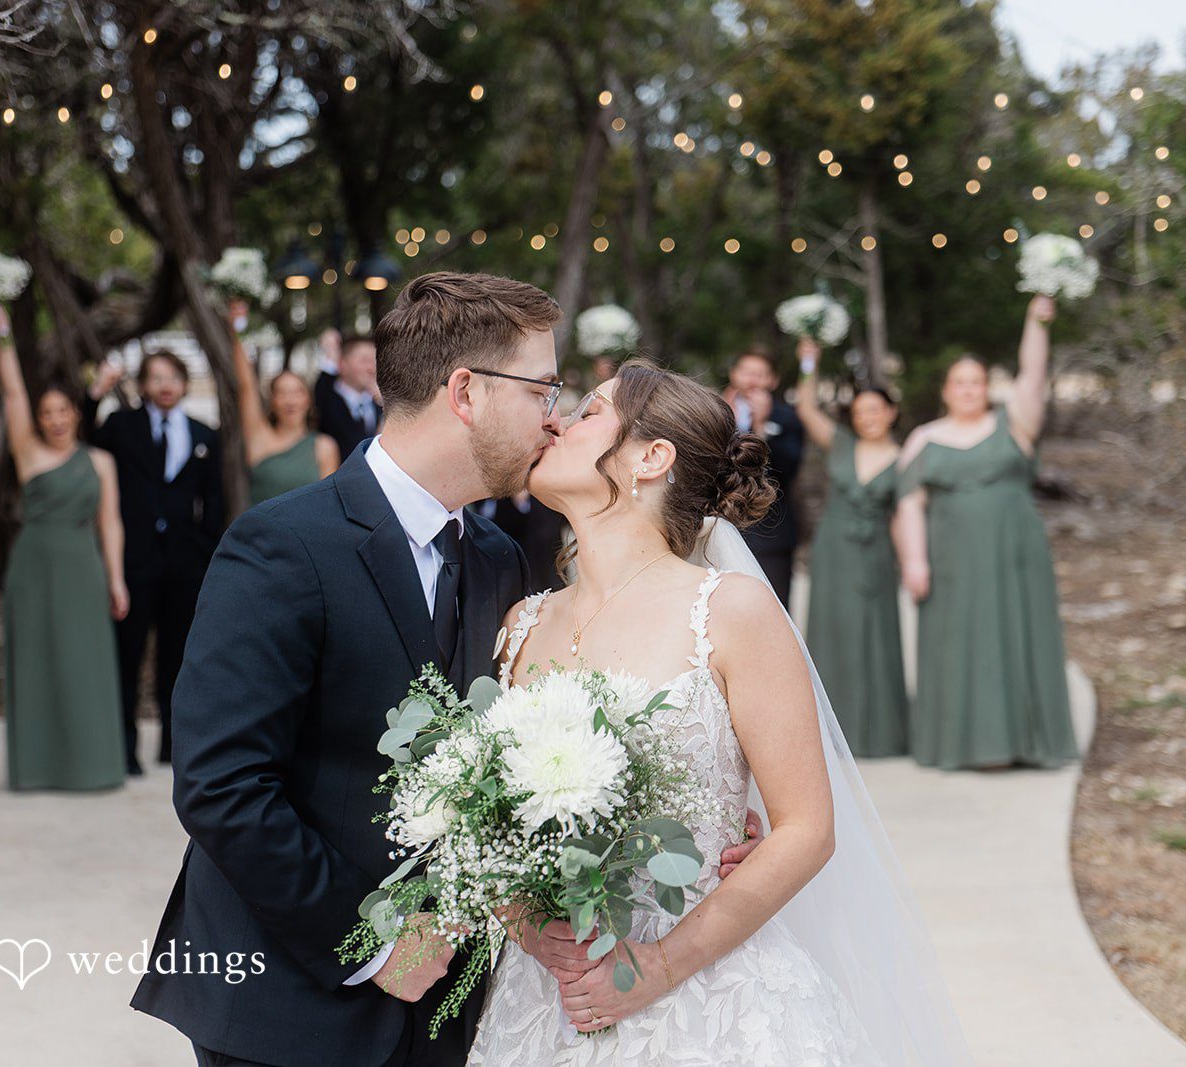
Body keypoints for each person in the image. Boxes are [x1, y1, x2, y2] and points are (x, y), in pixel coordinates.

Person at [129, 272, 769, 1066]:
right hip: (287, 1008)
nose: (553, 414)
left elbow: (517, 768)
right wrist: (373, 940)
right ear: (466, 392)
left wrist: (692, 828)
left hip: (452, 1010)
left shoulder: (499, 566)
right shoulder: (284, 546)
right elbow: (221, 784)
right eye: (543, 388)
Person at [469, 361, 971, 1065]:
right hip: (551, 999)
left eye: (587, 412)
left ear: (651, 456)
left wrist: (658, 967)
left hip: (709, 997)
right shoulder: (522, 623)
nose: (555, 421)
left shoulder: (729, 610)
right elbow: (483, 820)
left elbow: (806, 829)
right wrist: (528, 927)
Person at [892, 296, 1079, 771]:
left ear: (988, 388)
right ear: (946, 390)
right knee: (959, 643)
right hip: (951, 560)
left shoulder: (1014, 424)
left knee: (1018, 631)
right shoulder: (925, 438)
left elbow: (1032, 375)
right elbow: (909, 507)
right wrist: (914, 561)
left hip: (1015, 552)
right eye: (960, 382)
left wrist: (1036, 323)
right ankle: (964, 745)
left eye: (977, 382)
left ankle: (1024, 742)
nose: (969, 389)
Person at [0, 306, 126, 792]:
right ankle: (36, 768)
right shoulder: (27, 453)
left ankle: (92, 766)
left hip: (81, 566)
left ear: (76, 413)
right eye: (46, 414)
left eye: (62, 411)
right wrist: (3, 337)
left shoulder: (102, 462)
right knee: (36, 661)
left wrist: (116, 578)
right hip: (33, 565)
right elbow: (12, 393)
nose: (55, 420)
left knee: (83, 661)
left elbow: (110, 523)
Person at [84, 350, 225, 775]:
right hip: (133, 560)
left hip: (185, 565)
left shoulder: (205, 434)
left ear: (184, 383)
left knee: (179, 658)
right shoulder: (121, 426)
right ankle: (124, 747)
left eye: (173, 377)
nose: (165, 385)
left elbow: (213, 502)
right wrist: (95, 393)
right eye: (156, 378)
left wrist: (209, 557)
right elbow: (80, 440)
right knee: (127, 655)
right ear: (143, 385)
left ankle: (171, 744)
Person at [794, 338, 910, 757]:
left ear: (891, 412)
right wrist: (809, 361)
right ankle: (830, 734)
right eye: (860, 412)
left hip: (877, 547)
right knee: (833, 631)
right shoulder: (841, 443)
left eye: (875, 410)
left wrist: (911, 562)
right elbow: (806, 408)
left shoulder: (906, 456)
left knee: (875, 633)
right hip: (834, 548)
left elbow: (908, 514)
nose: (868, 417)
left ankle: (880, 734)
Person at [228, 299, 339, 508]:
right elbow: (246, 386)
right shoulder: (259, 437)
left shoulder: (324, 447)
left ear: (308, 400)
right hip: (259, 538)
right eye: (282, 393)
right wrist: (236, 329)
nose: (290, 400)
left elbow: (329, 508)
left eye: (297, 392)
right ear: (272, 401)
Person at [722, 349, 806, 608]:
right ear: (733, 374)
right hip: (723, 525)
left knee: (774, 607)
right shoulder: (715, 412)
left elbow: (788, 470)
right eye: (747, 372)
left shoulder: (787, 418)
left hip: (771, 533)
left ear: (773, 381)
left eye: (760, 375)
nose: (752, 380)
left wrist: (761, 426)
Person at [314, 333, 383, 460]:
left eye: (375, 361)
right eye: (364, 361)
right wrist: (331, 353)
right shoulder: (327, 399)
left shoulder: (380, 403)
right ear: (342, 364)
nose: (372, 368)